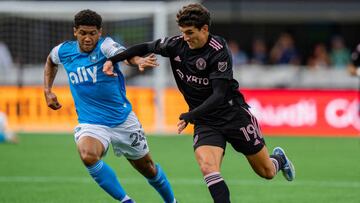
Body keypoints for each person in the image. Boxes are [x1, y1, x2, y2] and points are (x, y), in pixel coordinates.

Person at [103, 3, 295, 203]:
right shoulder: (176, 44)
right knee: (208, 168)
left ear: (205, 29)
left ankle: (279, 159)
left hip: (233, 116)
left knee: (266, 172)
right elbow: (145, 47)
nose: (185, 37)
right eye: (182, 32)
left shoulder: (218, 50)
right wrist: (113, 60)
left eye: (190, 32)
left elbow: (219, 94)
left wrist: (190, 115)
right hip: (205, 121)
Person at [43, 9, 177, 203]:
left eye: (92, 33)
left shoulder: (105, 46)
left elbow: (124, 55)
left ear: (100, 32)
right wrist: (47, 90)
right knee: (88, 155)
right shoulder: (63, 51)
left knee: (149, 168)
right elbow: (50, 61)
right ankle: (126, 201)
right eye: (83, 33)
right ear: (75, 32)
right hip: (92, 123)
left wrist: (138, 60)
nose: (88, 38)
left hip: (122, 120)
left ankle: (172, 201)